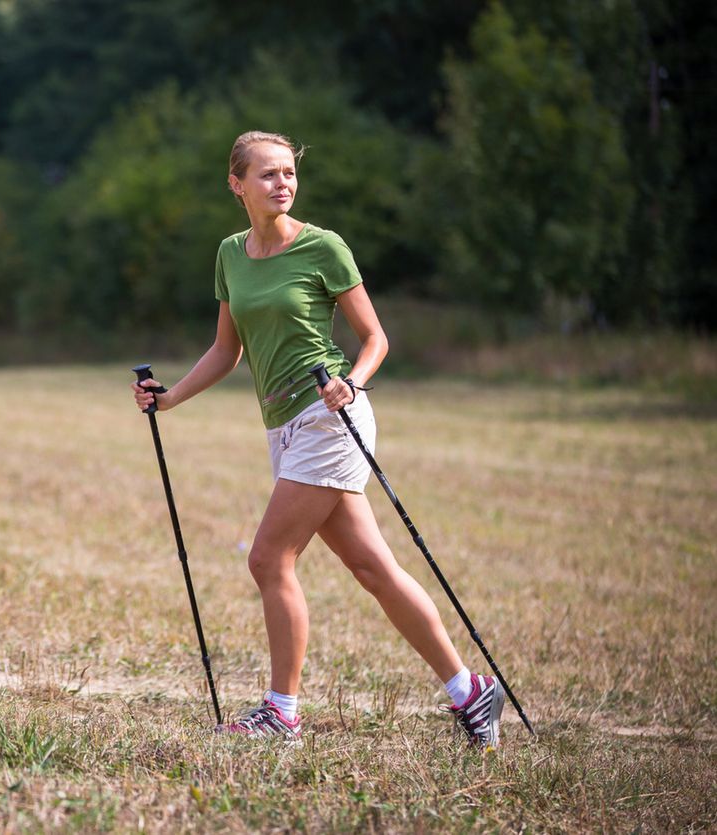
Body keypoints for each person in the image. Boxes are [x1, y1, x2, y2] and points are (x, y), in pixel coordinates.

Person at [131, 131, 504, 748]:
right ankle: (471, 692)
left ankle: (282, 713)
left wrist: (351, 385)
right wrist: (168, 400)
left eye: (289, 173)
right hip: (282, 424)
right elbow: (228, 350)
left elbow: (375, 339)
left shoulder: (324, 247)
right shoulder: (230, 253)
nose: (283, 183)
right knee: (372, 566)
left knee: (268, 558)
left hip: (330, 418)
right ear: (237, 184)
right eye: (268, 174)